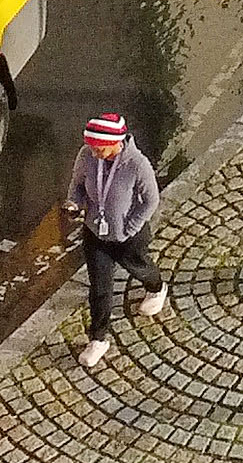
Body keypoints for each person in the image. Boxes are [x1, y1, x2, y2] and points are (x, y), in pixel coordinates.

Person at [66, 110, 168, 369]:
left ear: (116, 143)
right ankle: (98, 338)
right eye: (91, 147)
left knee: (139, 267)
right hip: (95, 234)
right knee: (99, 288)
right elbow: (77, 184)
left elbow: (151, 200)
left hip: (127, 237)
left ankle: (156, 287)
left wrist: (130, 227)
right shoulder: (86, 156)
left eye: (99, 148)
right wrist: (75, 204)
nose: (93, 152)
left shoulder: (137, 164)